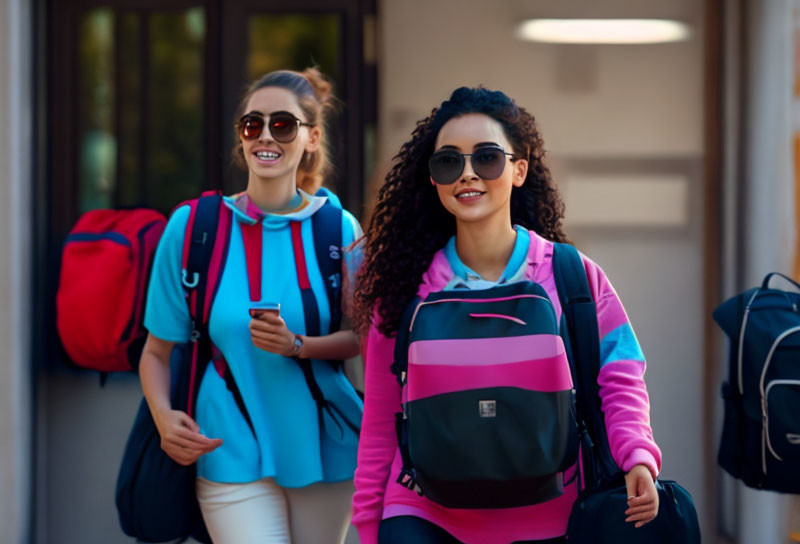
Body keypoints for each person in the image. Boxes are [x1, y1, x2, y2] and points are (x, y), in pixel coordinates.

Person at [351, 87, 662, 544]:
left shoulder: (573, 278)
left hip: (549, 517)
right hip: (423, 516)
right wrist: (368, 526)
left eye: (488, 157)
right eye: (449, 161)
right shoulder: (404, 290)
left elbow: (619, 377)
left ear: (519, 168)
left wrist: (637, 456)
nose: (468, 173)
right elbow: (380, 422)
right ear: (433, 178)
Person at [139, 67, 363, 544]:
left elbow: (361, 341)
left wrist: (298, 344)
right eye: (252, 124)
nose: (265, 135)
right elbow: (157, 351)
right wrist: (163, 417)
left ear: (311, 138)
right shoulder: (193, 228)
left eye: (282, 124)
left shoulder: (339, 230)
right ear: (241, 138)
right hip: (227, 444)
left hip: (328, 443)